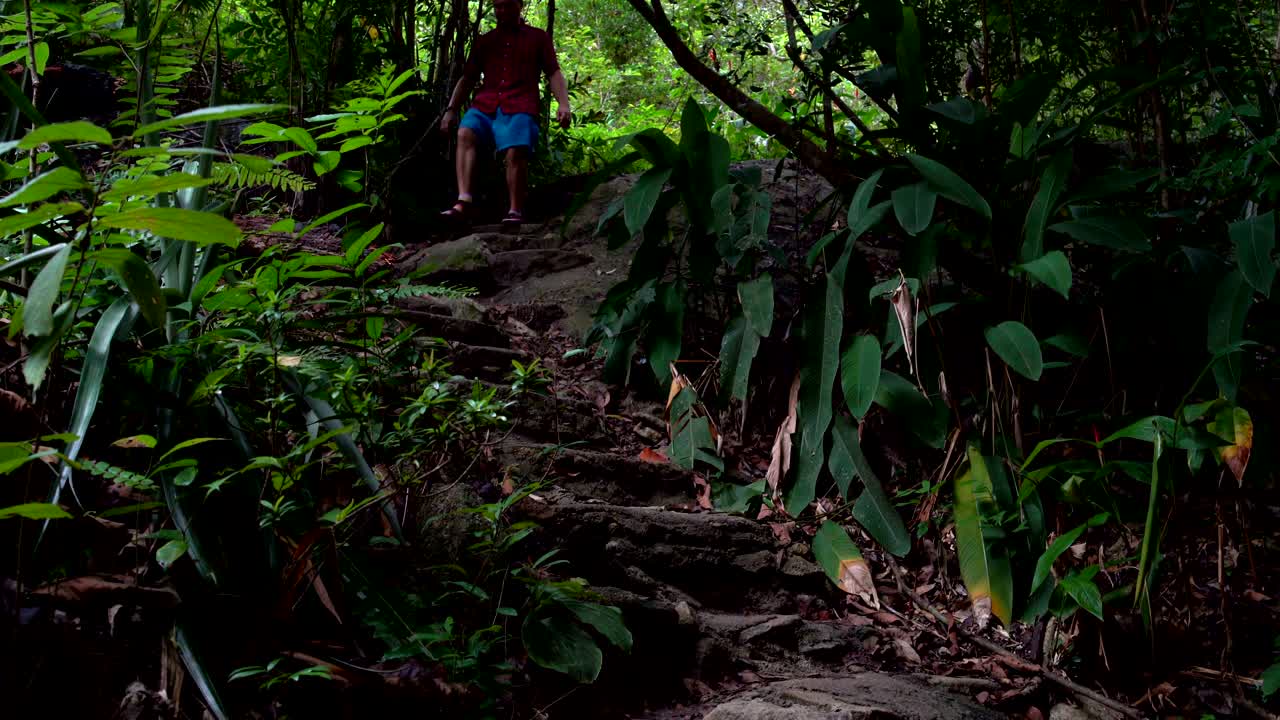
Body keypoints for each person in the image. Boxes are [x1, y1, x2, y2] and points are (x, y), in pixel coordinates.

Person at [440, 0, 570, 230]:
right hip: (486, 103)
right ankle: (464, 201)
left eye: (507, 6)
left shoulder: (537, 37)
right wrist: (451, 110)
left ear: (519, 5)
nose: (502, 11)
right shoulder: (486, 41)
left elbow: (554, 72)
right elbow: (468, 77)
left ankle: (515, 210)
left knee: (515, 149)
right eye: (498, 6)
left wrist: (563, 104)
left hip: (520, 102)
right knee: (465, 132)